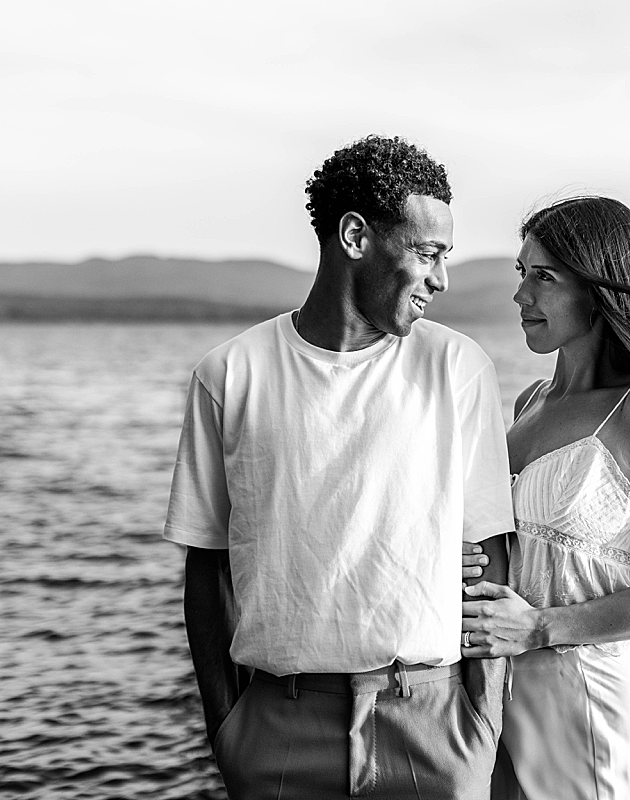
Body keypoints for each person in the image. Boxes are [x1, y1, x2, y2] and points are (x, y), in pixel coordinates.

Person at [164, 135, 513, 800]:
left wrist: (481, 723)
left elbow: (490, 553)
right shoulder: (230, 374)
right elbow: (205, 568)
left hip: (432, 729)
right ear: (355, 235)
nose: (442, 278)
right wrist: (227, 730)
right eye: (428, 253)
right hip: (277, 730)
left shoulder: (456, 367)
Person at [460, 196, 630, 799]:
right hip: (506, 699)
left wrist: (538, 628)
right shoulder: (529, 403)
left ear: (599, 291)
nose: (521, 296)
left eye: (543, 277)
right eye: (521, 274)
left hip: (594, 701)